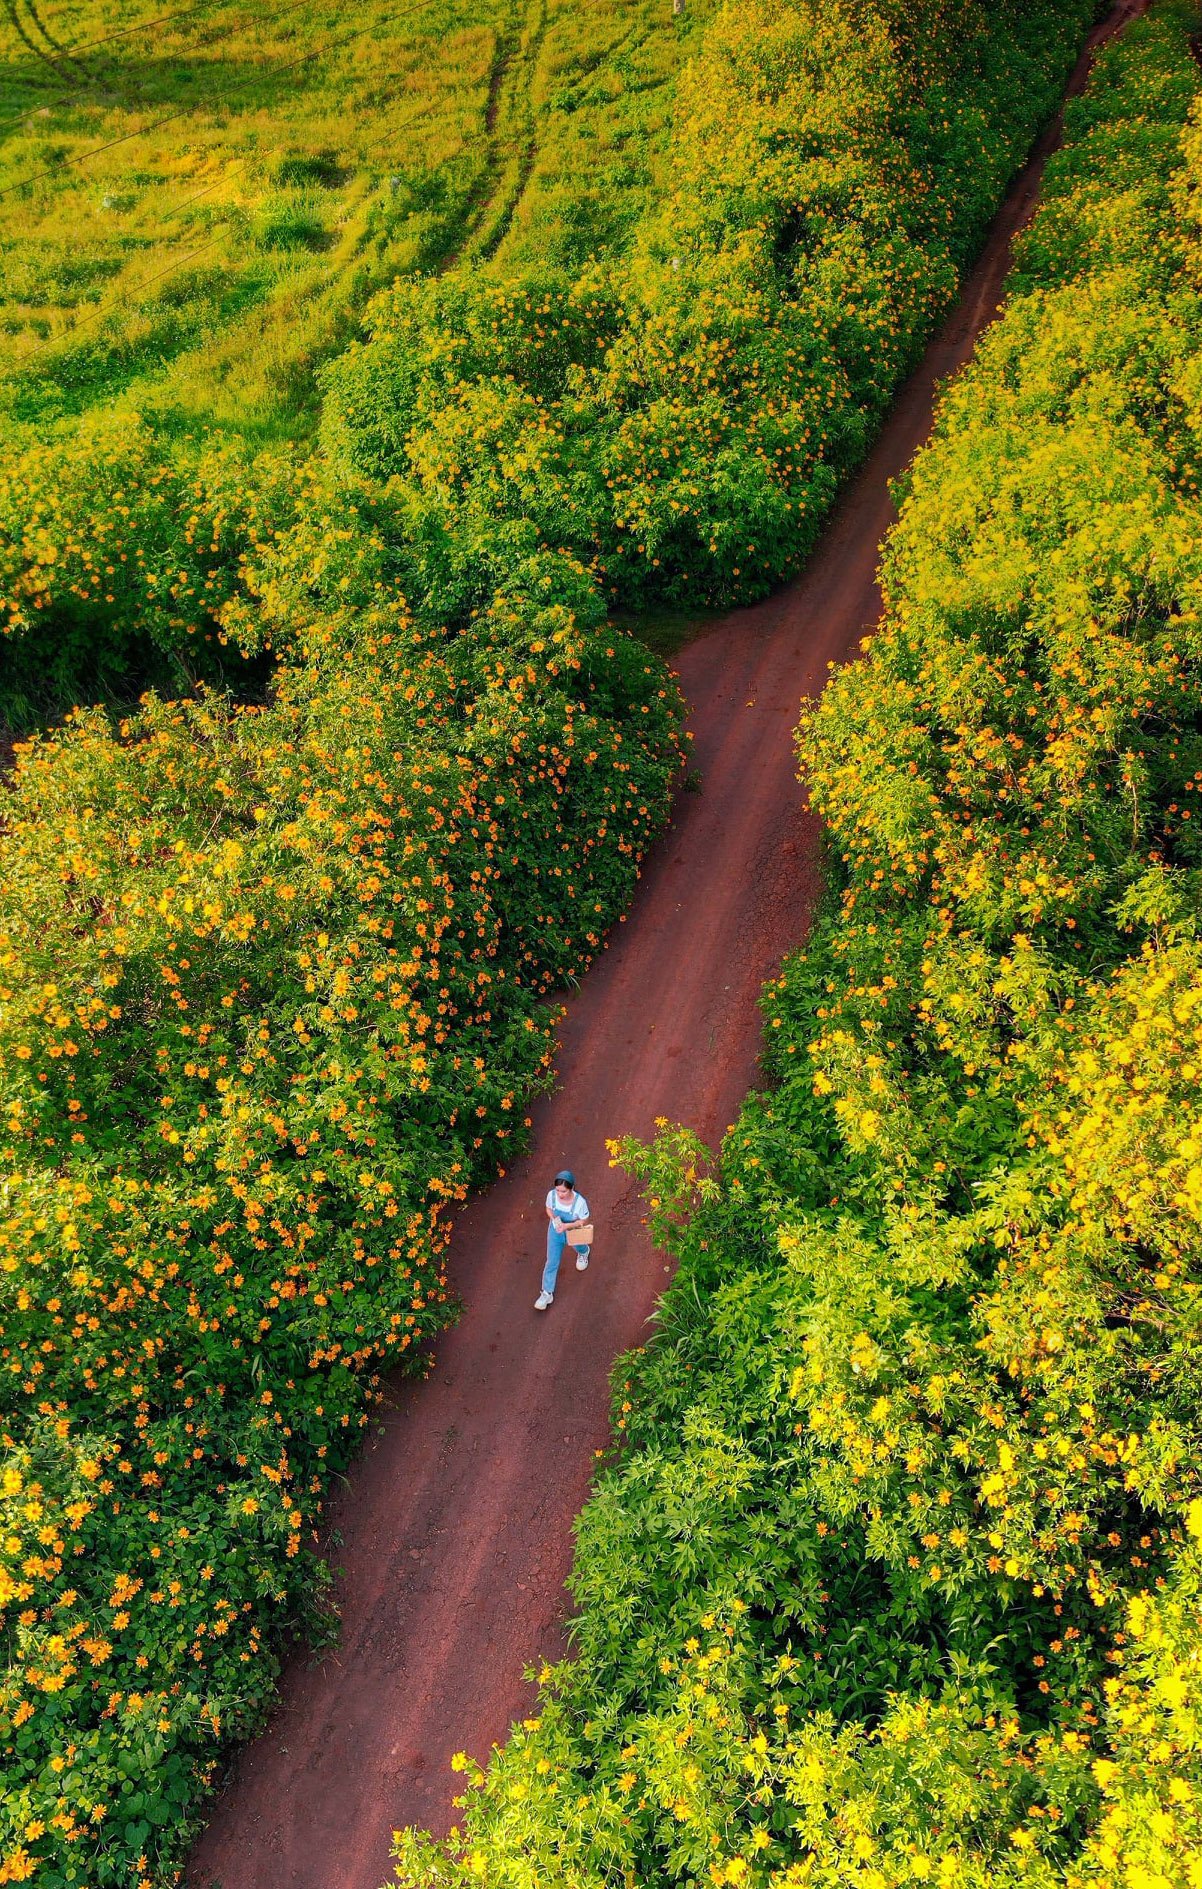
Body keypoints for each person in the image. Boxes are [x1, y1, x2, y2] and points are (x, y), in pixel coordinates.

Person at [535, 1169, 590, 1311]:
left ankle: (584, 1253)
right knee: (552, 1260)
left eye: (563, 1191)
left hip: (572, 1229)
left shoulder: (579, 1202)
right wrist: (554, 1219)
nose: (560, 1194)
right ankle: (547, 1292)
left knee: (579, 1246)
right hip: (556, 1230)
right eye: (557, 1190)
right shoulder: (551, 1196)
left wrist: (567, 1226)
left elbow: (584, 1220)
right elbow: (548, 1209)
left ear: (571, 1188)